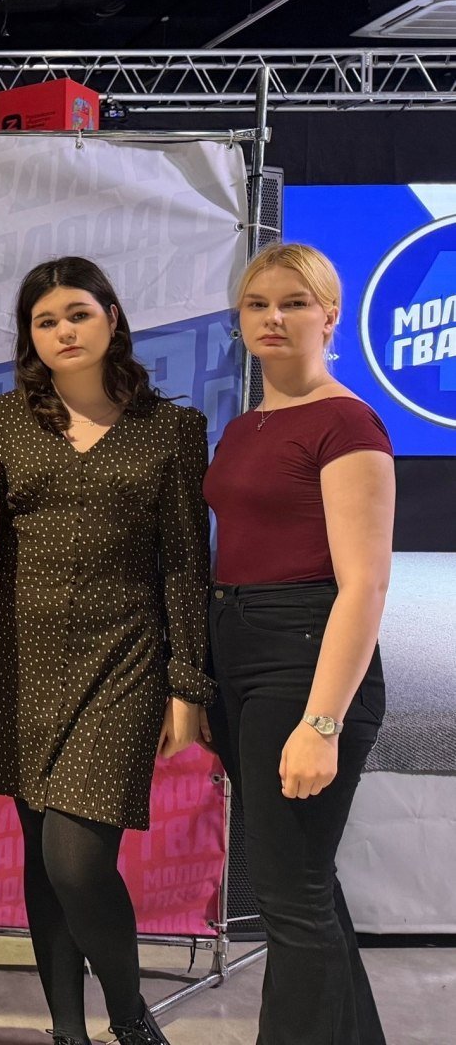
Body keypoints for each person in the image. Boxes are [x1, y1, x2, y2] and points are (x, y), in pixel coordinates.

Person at [0, 256, 212, 1045]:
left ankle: (129, 1016)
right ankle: (67, 1030)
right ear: (28, 336)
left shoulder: (172, 430)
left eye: (78, 314)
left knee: (76, 862)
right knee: (42, 857)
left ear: (112, 318)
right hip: (17, 666)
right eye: (46, 321)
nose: (64, 331)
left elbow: (184, 563)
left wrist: (188, 684)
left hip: (123, 663)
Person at [203, 244, 392, 1045]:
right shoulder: (246, 425)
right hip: (239, 653)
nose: (273, 318)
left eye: (294, 302)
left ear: (330, 315)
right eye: (257, 304)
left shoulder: (347, 422)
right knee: (304, 887)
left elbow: (364, 587)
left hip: (304, 658)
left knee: (290, 898)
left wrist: (321, 723)